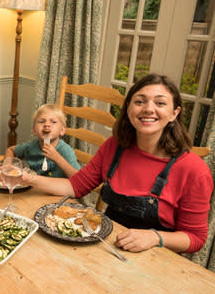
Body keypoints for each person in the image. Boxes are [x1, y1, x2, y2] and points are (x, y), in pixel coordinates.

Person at [22, 74, 213, 253]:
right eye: (139, 101)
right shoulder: (114, 146)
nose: (148, 108)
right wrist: (26, 178)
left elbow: (195, 238)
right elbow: (75, 186)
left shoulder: (194, 170)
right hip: (108, 245)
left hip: (155, 257)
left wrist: (155, 237)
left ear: (174, 113)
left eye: (160, 103)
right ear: (128, 108)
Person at [5, 104, 80, 177]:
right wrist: (7, 166)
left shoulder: (66, 151)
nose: (47, 124)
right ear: (34, 130)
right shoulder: (30, 146)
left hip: (56, 188)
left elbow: (79, 179)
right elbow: (11, 150)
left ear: (62, 130)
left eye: (53, 122)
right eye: (41, 121)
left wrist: (58, 158)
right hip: (35, 186)